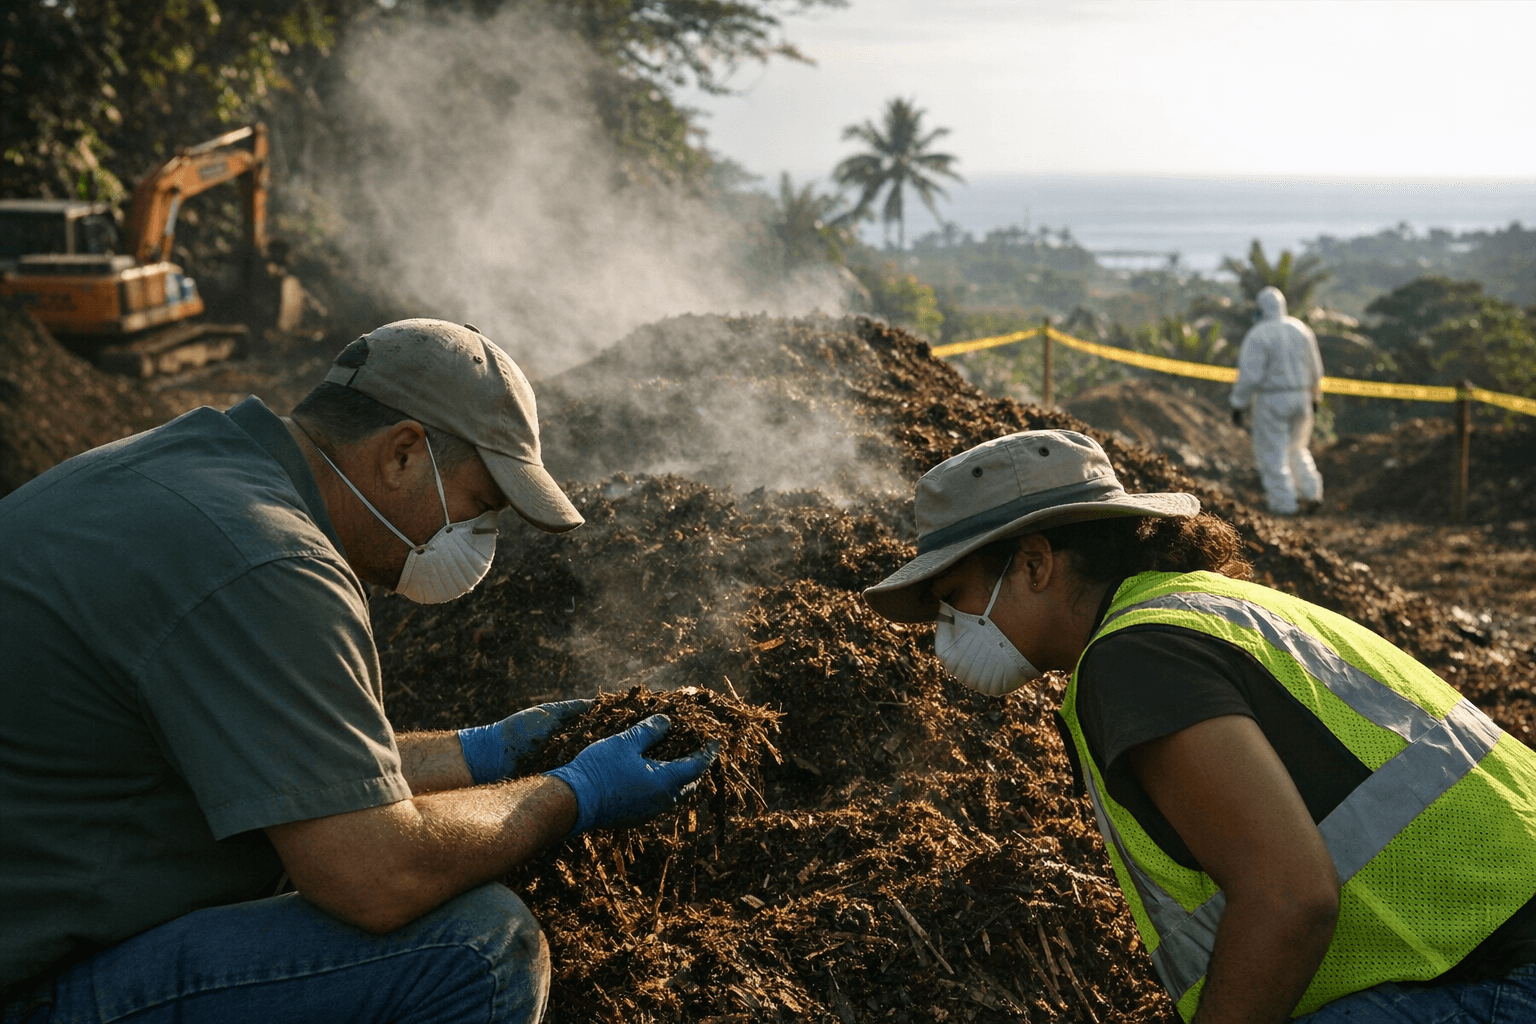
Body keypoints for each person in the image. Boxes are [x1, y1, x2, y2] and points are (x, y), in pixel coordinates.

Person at [0, 319, 717, 1024]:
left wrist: (486, 752)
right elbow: (375, 875)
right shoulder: (273, 563)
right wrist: (572, 792)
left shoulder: (193, 468)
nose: (479, 537)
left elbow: (293, 766)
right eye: (480, 506)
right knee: (477, 949)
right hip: (29, 987)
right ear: (403, 453)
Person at [862, 429, 1536, 1023]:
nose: (945, 633)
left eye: (954, 601)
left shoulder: (1133, 660)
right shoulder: (1203, 606)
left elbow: (1289, 899)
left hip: (1500, 978)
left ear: (1035, 563)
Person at [1230, 285, 1326, 515]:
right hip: (1302, 397)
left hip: (1272, 399)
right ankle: (1311, 492)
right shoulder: (1301, 329)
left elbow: (1250, 377)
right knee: (1298, 448)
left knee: (1272, 453)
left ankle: (1284, 505)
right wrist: (1315, 396)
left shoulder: (1259, 334)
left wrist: (1238, 403)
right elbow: (1316, 369)